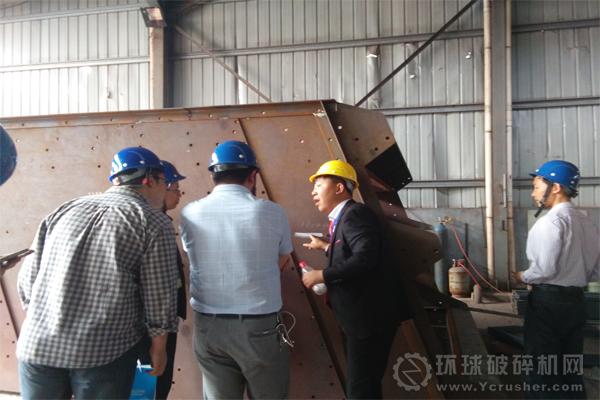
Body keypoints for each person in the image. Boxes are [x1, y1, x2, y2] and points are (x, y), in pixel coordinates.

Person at [17, 147, 179, 400]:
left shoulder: (65, 209)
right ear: (151, 180)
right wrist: (159, 347)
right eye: (165, 182)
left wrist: (47, 321)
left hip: (38, 345)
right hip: (103, 352)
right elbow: (159, 294)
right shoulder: (152, 221)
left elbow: (27, 280)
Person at [180, 140, 293, 399]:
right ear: (253, 176)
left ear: (213, 175)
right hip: (259, 325)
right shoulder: (272, 212)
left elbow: (192, 256)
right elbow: (283, 258)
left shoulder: (190, 212)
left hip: (209, 325)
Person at [301, 159, 399, 399]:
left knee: (360, 389)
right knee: (365, 385)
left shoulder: (355, 214)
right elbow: (354, 253)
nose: (313, 192)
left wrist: (321, 275)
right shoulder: (344, 217)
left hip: (367, 321)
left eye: (319, 185)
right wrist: (326, 247)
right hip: (357, 319)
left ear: (339, 188)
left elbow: (365, 258)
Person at [512, 160, 600, 399]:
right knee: (570, 365)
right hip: (576, 301)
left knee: (542, 367)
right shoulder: (587, 222)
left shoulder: (549, 223)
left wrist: (521, 276)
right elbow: (595, 271)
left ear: (557, 187)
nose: (533, 193)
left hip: (547, 303)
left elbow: (544, 270)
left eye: (536, 187)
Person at [140, 160, 188, 400]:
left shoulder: (161, 223)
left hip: (162, 324)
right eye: (175, 188)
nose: (179, 195)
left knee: (158, 385)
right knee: (149, 387)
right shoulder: (152, 225)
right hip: (150, 328)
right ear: (159, 186)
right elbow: (157, 288)